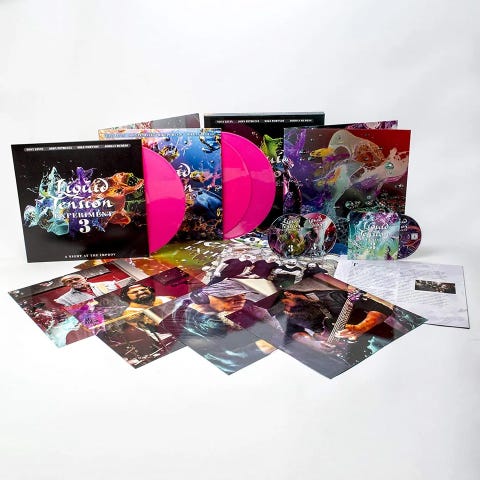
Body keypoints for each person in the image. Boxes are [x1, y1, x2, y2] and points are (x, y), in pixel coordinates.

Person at [167, 279, 276, 374]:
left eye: (242, 295)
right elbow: (219, 359)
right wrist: (258, 348)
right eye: (230, 298)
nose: (240, 303)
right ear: (205, 297)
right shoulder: (200, 324)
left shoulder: (247, 306)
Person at [54, 274, 119, 307]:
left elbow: (118, 297)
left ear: (85, 278)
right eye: (69, 281)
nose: (74, 282)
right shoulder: (64, 299)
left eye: (77, 279)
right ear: (66, 285)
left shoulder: (108, 284)